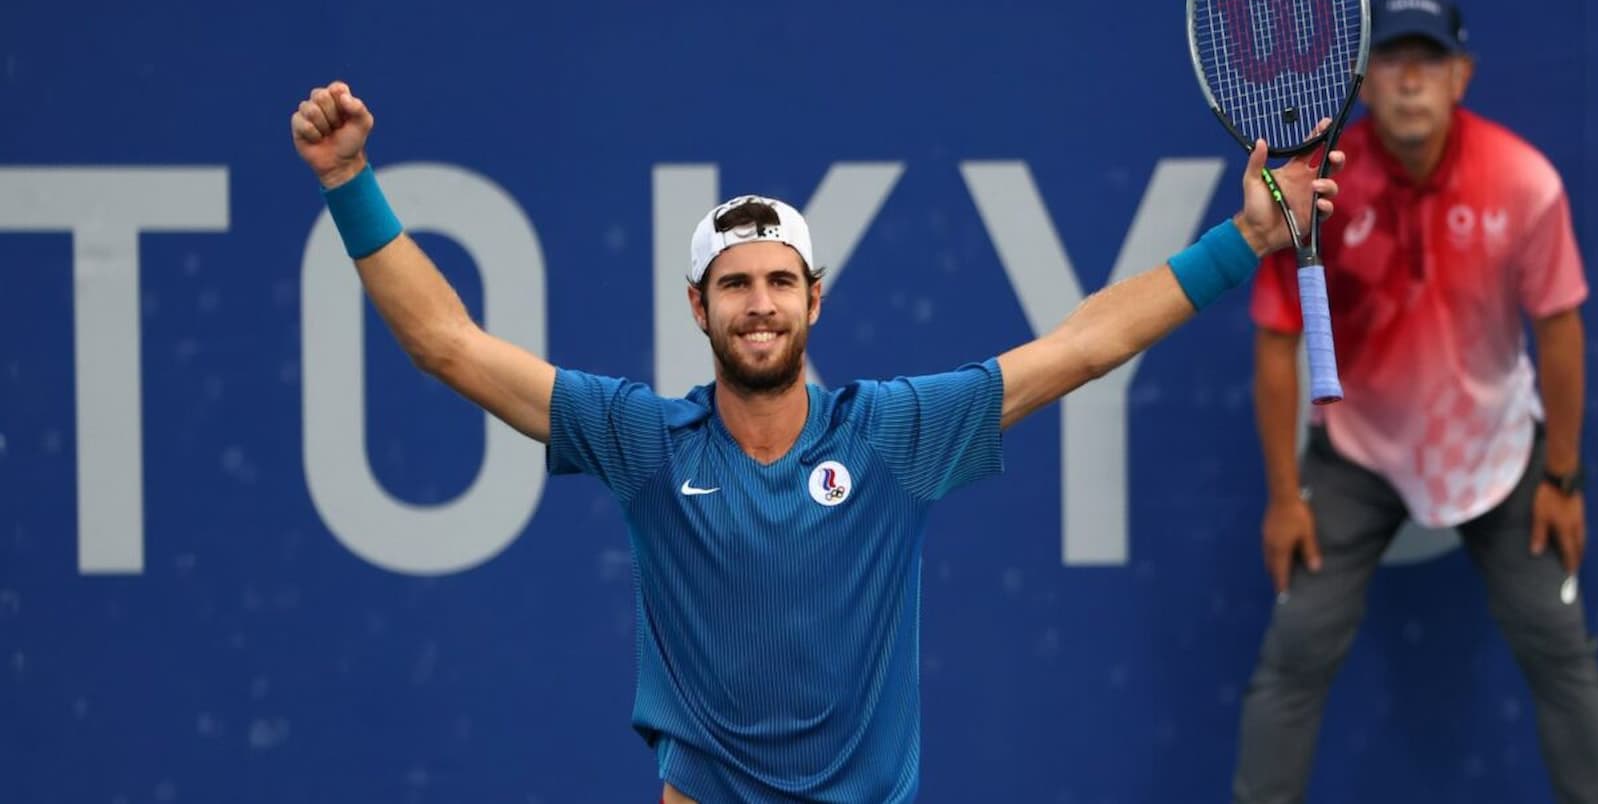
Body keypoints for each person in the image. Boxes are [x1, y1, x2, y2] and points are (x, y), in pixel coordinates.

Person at [291, 81, 1340, 804]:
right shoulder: (643, 442)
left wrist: (1241, 238)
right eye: (736, 286)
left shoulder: (893, 435)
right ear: (696, 308)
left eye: (778, 282)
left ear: (814, 300)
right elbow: (446, 344)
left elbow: (1079, 346)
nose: (759, 306)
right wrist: (350, 183)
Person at [1232, 0, 1598, 804]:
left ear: (1461, 75)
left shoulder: (1524, 182)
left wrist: (1563, 477)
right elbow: (1276, 345)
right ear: (1362, 84)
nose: (1407, 80)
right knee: (1296, 651)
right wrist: (1286, 495)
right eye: (1391, 60)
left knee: (1561, 651)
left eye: (1428, 62)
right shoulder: (1318, 191)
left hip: (1501, 454)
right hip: (1356, 458)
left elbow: (1562, 332)